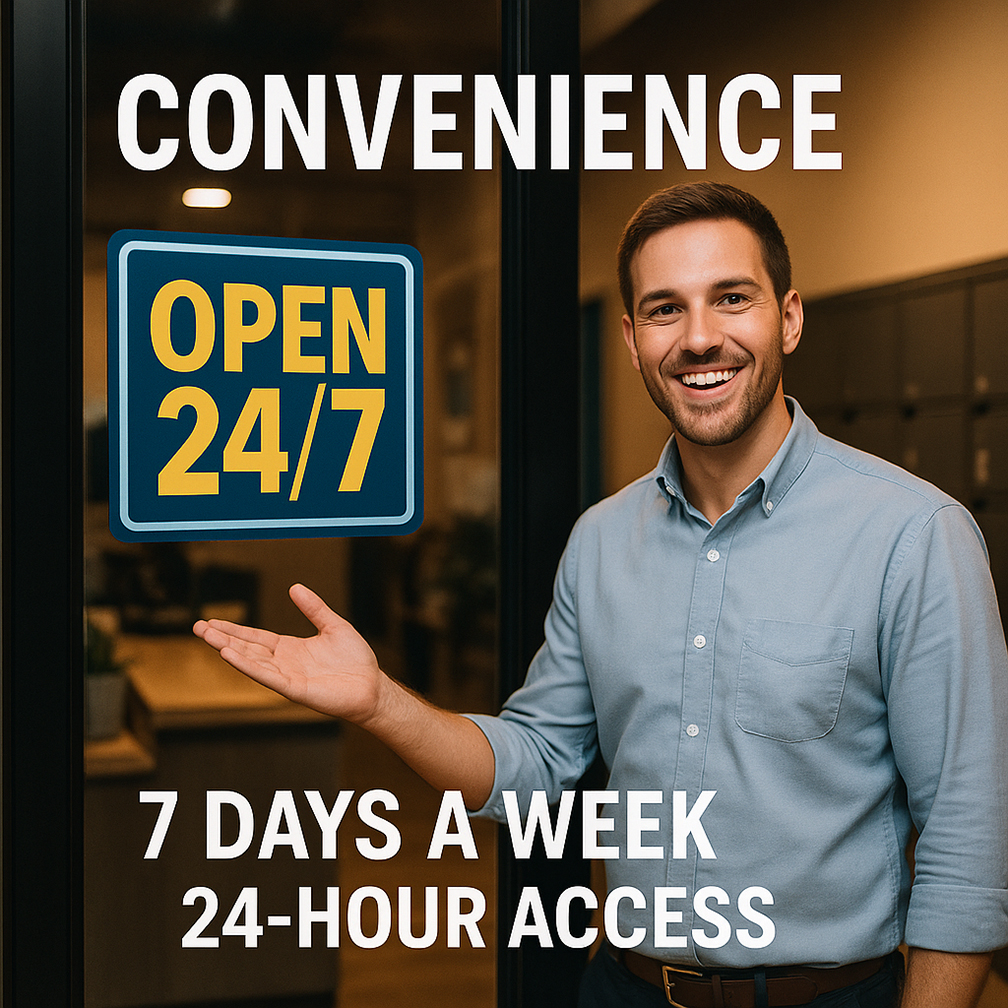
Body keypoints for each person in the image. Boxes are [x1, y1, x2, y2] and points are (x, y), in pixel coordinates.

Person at [194, 182, 1008, 1008]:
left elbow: (971, 842)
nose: (699, 339)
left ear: (788, 317)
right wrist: (378, 703)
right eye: (664, 310)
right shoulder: (600, 541)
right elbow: (537, 766)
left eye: (732, 298)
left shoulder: (913, 536)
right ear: (630, 339)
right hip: (621, 989)